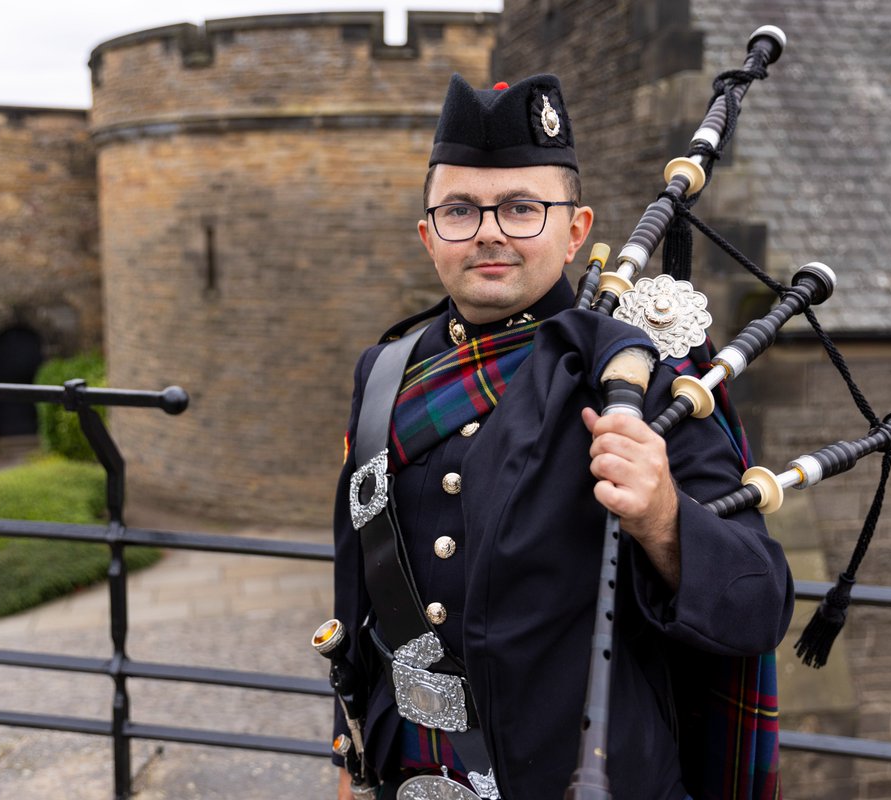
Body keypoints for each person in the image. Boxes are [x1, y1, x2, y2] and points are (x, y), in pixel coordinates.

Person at [331, 73, 794, 800]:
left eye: (522, 208)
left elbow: (759, 601)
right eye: (459, 210)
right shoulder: (386, 371)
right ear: (428, 235)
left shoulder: (645, 376)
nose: (488, 230)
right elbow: (356, 597)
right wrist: (349, 755)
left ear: (575, 230)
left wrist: (665, 518)